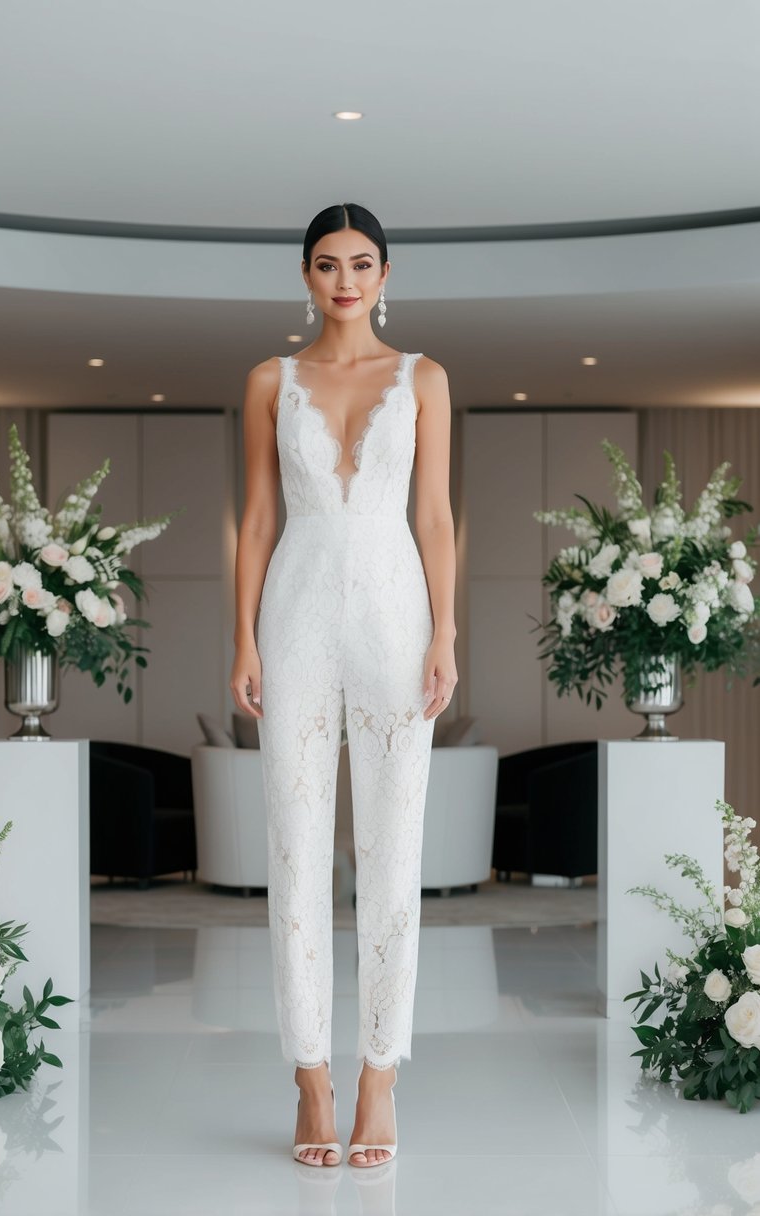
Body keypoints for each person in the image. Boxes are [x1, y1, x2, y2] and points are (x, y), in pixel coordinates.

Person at [230, 202, 457, 1168]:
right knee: (294, 847)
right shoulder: (268, 382)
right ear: (305, 276)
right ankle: (310, 1077)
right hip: (295, 618)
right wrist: (241, 640)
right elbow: (254, 518)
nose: (345, 281)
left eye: (362, 264)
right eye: (327, 265)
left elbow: (437, 515)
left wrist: (446, 631)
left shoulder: (425, 379)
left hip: (396, 622)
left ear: (386, 273)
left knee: (393, 846)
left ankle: (378, 1074)